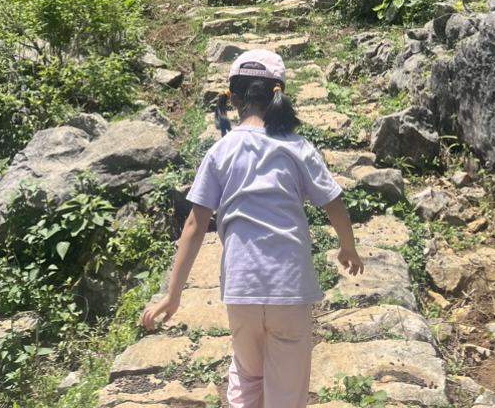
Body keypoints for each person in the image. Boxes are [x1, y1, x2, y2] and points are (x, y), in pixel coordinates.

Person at [140, 49, 364, 408]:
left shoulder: (221, 151)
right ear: (279, 94)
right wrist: (347, 247)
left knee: (247, 376)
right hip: (290, 289)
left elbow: (195, 225)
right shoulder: (297, 148)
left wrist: (173, 294)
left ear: (232, 98)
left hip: (241, 289)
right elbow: (333, 202)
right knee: (286, 388)